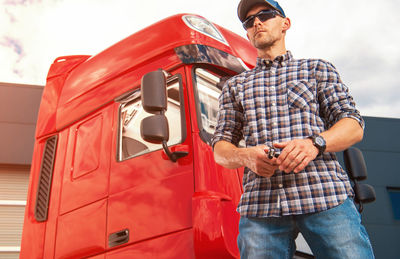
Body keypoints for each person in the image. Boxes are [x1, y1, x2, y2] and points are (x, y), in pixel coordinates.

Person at [211, 0, 375, 258]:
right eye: (249, 21)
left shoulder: (317, 69)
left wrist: (314, 144)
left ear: (285, 23)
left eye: (265, 14)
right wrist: (246, 156)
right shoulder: (235, 87)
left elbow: (353, 125)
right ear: (247, 32)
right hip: (261, 207)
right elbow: (221, 148)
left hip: (324, 195)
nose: (257, 22)